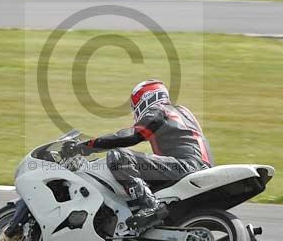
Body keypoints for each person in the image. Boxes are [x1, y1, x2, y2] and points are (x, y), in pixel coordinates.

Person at [68, 79, 214, 231]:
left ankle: (150, 206)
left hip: (185, 166)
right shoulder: (183, 113)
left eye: (135, 106)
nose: (135, 111)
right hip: (199, 167)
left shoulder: (160, 110)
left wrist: (88, 146)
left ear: (146, 99)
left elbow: (132, 136)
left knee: (119, 157)